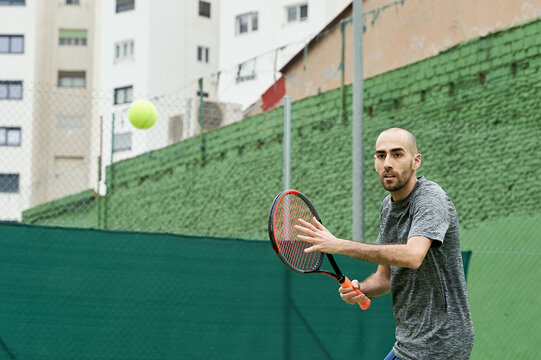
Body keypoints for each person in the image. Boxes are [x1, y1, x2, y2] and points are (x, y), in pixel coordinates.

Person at [295, 127, 474, 360]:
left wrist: (339, 245)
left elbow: (413, 256)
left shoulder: (431, 199)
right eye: (381, 155)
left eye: (397, 154)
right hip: (409, 342)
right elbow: (386, 277)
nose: (387, 163)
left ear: (416, 161)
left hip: (441, 343)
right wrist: (362, 289)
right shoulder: (388, 206)